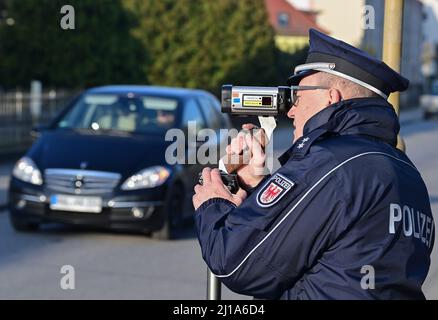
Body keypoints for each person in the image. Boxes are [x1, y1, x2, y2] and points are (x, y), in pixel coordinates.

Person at [192, 29, 435, 300]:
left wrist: (214, 203)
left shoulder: (330, 162)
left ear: (331, 98)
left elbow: (236, 263)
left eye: (298, 96)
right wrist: (259, 185)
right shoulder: (406, 172)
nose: (292, 110)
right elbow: (334, 251)